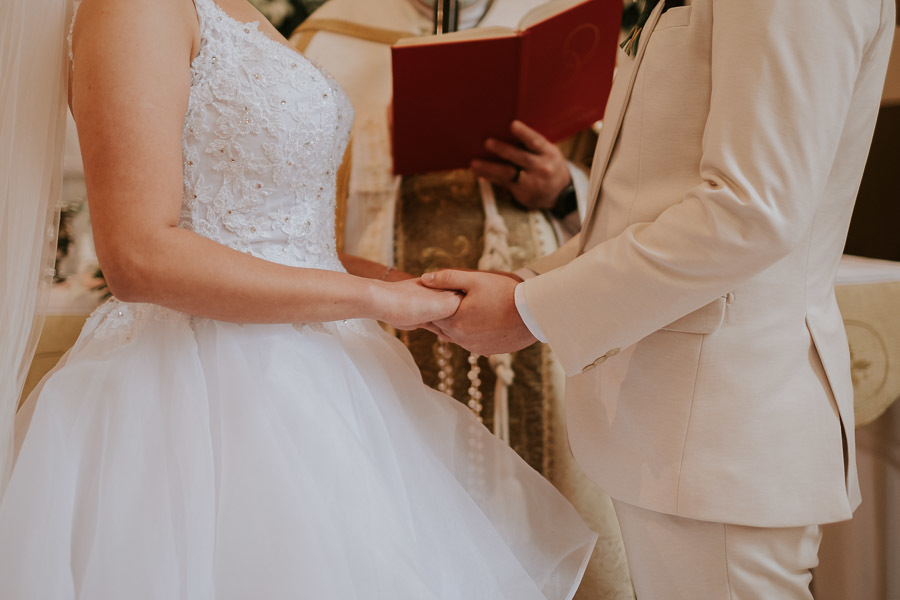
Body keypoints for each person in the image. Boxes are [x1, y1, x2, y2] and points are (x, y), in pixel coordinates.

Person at [0, 0, 599, 596]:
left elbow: (287, 239)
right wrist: (371, 298)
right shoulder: (134, 9)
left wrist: (398, 282)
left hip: (325, 376)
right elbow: (139, 257)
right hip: (203, 389)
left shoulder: (235, 8)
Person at [421, 0, 897, 598]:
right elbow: (651, 200)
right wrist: (527, 285)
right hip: (678, 422)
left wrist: (531, 312)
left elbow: (751, 213)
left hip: (723, 425)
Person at [293, 3, 634, 597]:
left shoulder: (559, 20)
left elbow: (626, 191)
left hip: (536, 312)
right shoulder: (333, 34)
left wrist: (562, 187)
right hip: (389, 308)